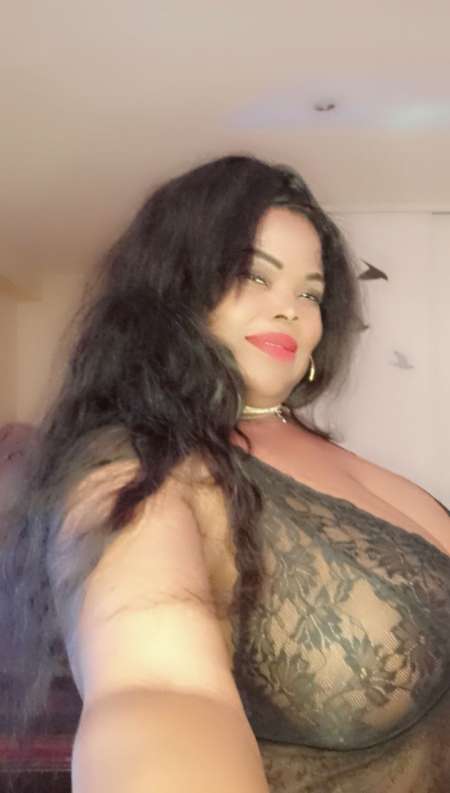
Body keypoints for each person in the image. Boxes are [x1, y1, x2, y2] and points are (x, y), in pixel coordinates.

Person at [1, 155, 449, 793]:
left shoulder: (325, 450)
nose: (290, 309)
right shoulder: (138, 462)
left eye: (310, 292)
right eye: (253, 275)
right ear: (176, 288)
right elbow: (158, 691)